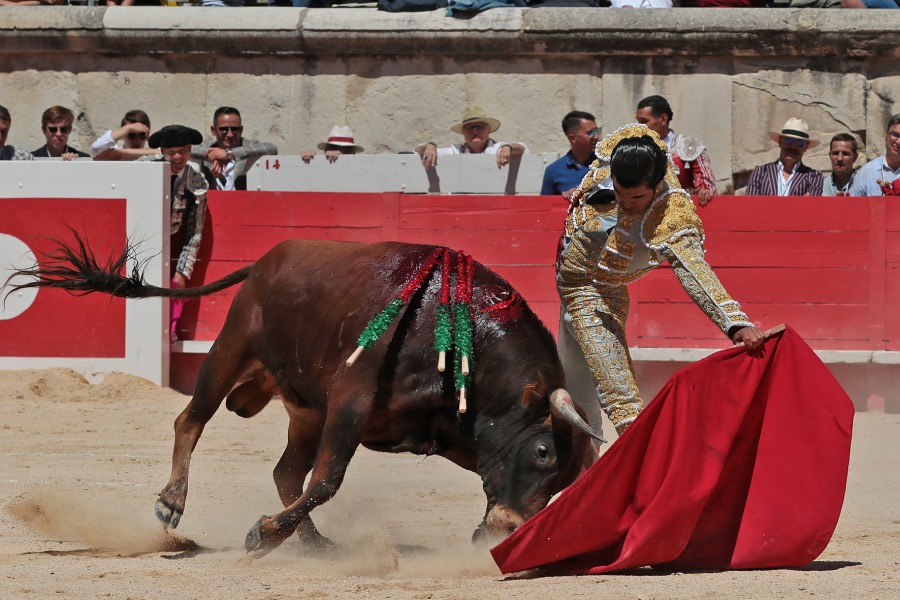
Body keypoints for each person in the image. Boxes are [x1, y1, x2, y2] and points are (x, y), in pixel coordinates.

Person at [556, 123, 764, 454]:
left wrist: (735, 322)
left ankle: (633, 470)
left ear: (656, 187)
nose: (626, 204)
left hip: (605, 293)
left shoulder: (672, 212)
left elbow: (694, 270)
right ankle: (597, 468)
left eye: (637, 197)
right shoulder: (609, 171)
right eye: (621, 194)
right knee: (597, 389)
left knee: (615, 394)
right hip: (577, 286)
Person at [147, 125, 211, 341]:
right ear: (162, 151)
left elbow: (194, 231)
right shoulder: (146, 169)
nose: (177, 157)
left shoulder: (197, 181)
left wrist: (183, 271)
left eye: (182, 151)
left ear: (190, 150)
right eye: (170, 152)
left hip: (167, 244)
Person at [635, 95, 718, 206]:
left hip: (683, 212)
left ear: (663, 119)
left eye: (644, 121)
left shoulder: (688, 146)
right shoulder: (634, 148)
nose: (638, 127)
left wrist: (705, 191)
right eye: (638, 122)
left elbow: (707, 187)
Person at [191, 106, 278, 191]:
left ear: (241, 130)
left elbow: (271, 148)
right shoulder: (209, 146)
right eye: (224, 129)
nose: (230, 134)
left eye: (235, 129)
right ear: (213, 130)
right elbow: (187, 149)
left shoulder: (248, 147)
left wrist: (229, 153)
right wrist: (211, 154)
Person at [415, 106, 528, 171]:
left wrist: (508, 148)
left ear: (488, 130)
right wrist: (430, 146)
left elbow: (521, 148)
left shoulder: (497, 148)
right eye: (470, 128)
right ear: (463, 132)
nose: (475, 131)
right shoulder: (455, 151)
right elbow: (418, 151)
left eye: (479, 126)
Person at [745, 117, 823, 196]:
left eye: (799, 142)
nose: (793, 147)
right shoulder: (760, 172)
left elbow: (811, 206)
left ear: (806, 147)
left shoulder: (814, 176)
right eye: (788, 140)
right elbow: (750, 205)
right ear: (780, 141)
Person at [540, 111, 600, 200]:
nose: (596, 137)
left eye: (597, 131)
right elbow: (545, 206)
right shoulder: (553, 171)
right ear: (572, 138)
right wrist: (564, 198)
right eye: (590, 133)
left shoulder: (607, 164)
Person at [850, 113, 900, 197]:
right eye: (894, 135)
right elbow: (853, 205)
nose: (898, 142)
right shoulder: (867, 172)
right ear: (886, 136)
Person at [91, 109, 161, 161]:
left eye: (142, 135)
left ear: (147, 136)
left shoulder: (157, 154)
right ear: (123, 135)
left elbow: (164, 152)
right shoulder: (116, 150)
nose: (137, 140)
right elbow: (96, 148)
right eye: (131, 135)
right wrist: (128, 128)